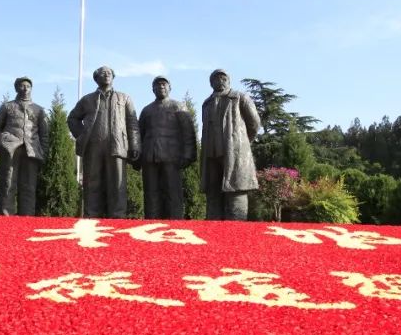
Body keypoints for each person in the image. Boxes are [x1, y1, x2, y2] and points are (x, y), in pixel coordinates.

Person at [67, 66, 140, 218]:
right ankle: (91, 217)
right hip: (93, 147)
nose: (106, 75)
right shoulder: (87, 99)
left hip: (117, 145)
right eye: (102, 73)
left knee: (117, 184)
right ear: (96, 78)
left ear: (113, 77)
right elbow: (72, 118)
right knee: (92, 183)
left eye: (109, 73)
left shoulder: (124, 98)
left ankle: (117, 218)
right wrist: (82, 135)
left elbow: (132, 122)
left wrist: (134, 144)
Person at [200, 69, 261, 220]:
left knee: (236, 191)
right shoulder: (206, 103)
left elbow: (254, 123)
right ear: (211, 82)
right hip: (211, 153)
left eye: (223, 77)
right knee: (213, 193)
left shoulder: (240, 97)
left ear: (228, 80)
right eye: (216, 78)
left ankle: (236, 231)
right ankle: (213, 232)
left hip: (234, 151)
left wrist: (242, 143)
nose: (220, 80)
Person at [138, 76, 196, 219]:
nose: (161, 87)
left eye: (164, 84)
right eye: (157, 85)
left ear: (170, 88)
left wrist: (188, 154)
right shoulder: (146, 110)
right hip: (150, 156)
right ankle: (151, 223)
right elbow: (139, 135)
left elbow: (188, 133)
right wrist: (137, 157)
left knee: (173, 192)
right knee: (151, 193)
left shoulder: (178, 106)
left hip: (172, 156)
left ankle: (175, 223)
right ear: (153, 89)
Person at [0, 77, 49, 216]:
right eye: (22, 86)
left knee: (29, 186)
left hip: (31, 151)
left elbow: (44, 135)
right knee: (8, 184)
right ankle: (6, 217)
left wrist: (43, 153)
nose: (25, 88)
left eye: (28, 86)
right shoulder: (7, 106)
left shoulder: (39, 110)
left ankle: (27, 219)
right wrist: (0, 144)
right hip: (10, 149)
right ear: (17, 88)